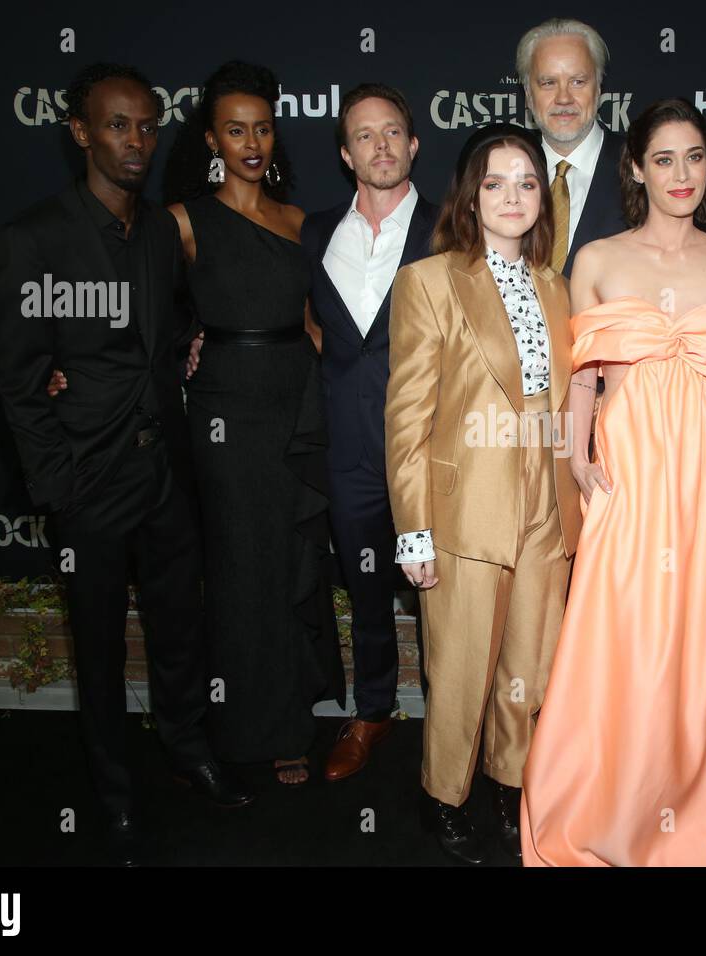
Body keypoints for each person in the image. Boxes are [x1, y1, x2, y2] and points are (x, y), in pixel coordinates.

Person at [0, 62, 252, 867]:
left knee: (179, 632)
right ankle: (114, 797)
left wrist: (188, 350)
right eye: (116, 125)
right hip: (90, 485)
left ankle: (187, 751)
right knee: (99, 652)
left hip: (166, 474)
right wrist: (60, 489)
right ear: (80, 133)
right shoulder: (35, 238)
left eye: (146, 126)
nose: (136, 140)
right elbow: (19, 382)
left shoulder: (162, 234)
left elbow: (161, 337)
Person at [520, 98, 706, 866]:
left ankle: (701, 810)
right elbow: (584, 379)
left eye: (695, 157)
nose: (682, 173)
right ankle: (612, 811)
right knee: (624, 647)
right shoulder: (598, 260)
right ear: (636, 169)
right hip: (630, 483)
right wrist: (578, 461)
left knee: (702, 655)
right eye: (664, 159)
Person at [386, 126, 582, 864]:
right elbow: (407, 416)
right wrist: (413, 528)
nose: (512, 196)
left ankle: (509, 784)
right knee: (463, 666)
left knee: (530, 662)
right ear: (470, 197)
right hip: (466, 505)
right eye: (495, 183)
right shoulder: (429, 281)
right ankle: (443, 795)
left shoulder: (556, 286)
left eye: (527, 182)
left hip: (546, 500)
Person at [165, 60, 345, 784]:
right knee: (240, 567)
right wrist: (183, 344)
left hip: (293, 404)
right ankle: (244, 725)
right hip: (226, 413)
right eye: (235, 130)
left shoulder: (298, 223)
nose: (251, 143)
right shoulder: (183, 221)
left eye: (262, 129)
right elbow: (154, 315)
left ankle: (292, 722)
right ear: (212, 138)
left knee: (293, 559)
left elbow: (314, 325)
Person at [298, 84, 438, 781]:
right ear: (346, 154)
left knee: (445, 597)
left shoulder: (451, 228)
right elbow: (307, 322)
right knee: (366, 591)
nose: (380, 145)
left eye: (391, 132)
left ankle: (454, 721)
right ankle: (373, 710)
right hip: (349, 449)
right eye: (363, 135)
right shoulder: (315, 231)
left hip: (432, 452)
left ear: (413, 144)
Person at [516, 18, 628, 276]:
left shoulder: (641, 169)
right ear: (528, 95)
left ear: (598, 88)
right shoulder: (498, 171)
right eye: (548, 83)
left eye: (577, 81)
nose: (564, 98)